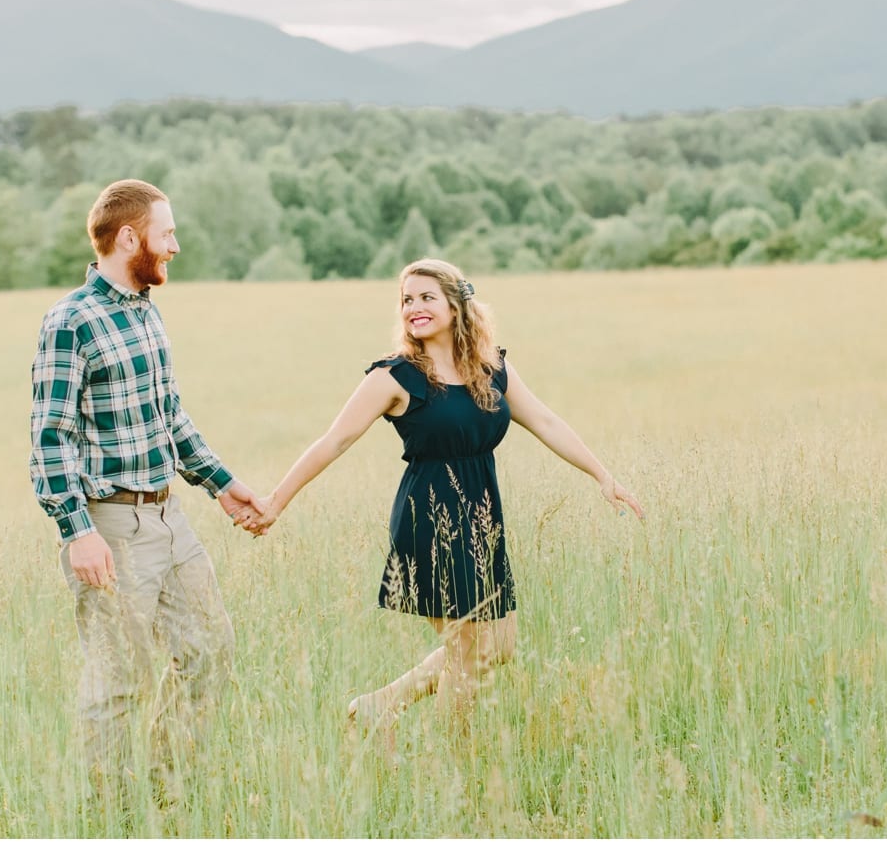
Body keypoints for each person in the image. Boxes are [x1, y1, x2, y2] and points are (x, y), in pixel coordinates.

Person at [247, 258, 644, 742]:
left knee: (499, 644)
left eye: (426, 297)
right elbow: (333, 442)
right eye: (407, 300)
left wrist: (602, 475)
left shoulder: (491, 367)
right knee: (471, 650)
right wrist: (275, 501)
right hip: (430, 518)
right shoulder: (393, 378)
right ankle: (452, 763)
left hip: (482, 515)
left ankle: (380, 705)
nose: (414, 307)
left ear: (457, 305)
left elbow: (546, 421)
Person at [29, 179, 269, 817]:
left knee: (210, 651)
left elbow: (169, 417)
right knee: (117, 680)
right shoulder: (71, 320)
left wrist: (222, 484)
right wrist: (75, 531)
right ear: (129, 237)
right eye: (166, 235)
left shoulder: (145, 309)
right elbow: (50, 437)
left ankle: (168, 793)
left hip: (169, 517)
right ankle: (106, 817)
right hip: (110, 525)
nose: (176, 246)